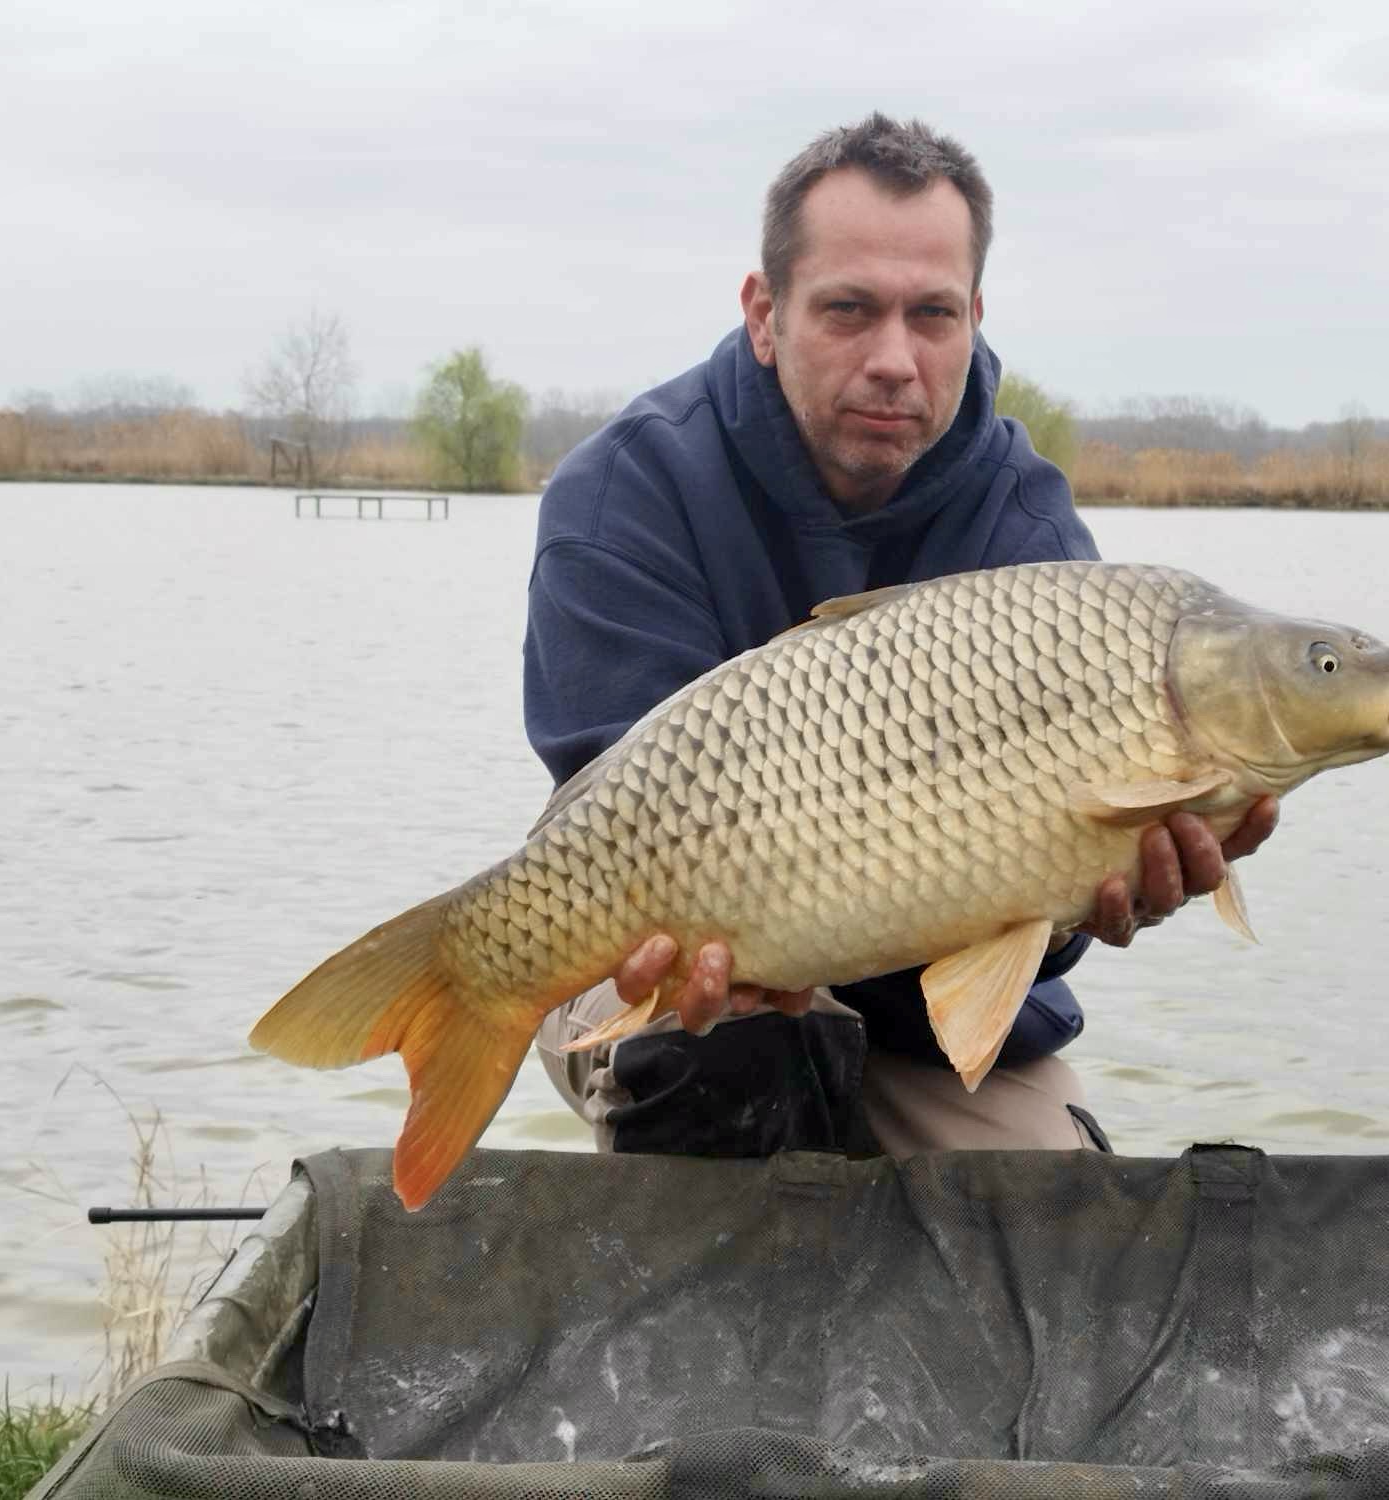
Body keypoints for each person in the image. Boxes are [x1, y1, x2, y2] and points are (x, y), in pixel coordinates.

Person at [523, 113, 1279, 1158]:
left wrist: (1086, 907)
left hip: (930, 1026)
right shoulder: (624, 492)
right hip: (676, 971)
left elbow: (1036, 920)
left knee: (1046, 1224)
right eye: (848, 310)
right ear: (762, 312)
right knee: (724, 1062)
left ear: (973, 317)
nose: (894, 359)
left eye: (931, 315)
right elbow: (614, 811)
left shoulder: (1033, 539)